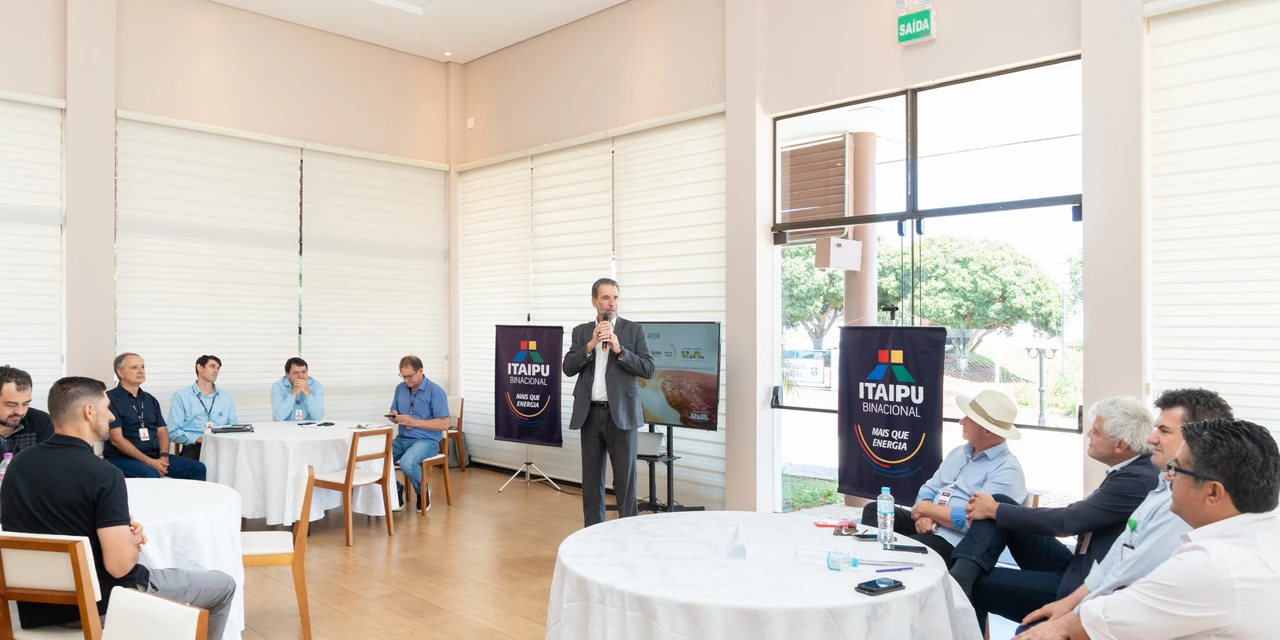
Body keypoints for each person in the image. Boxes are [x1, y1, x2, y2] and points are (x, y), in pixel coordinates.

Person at [0, 376, 236, 635]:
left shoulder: (17, 465)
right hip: (102, 605)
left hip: (36, 610)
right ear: (89, 412)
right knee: (223, 586)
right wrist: (132, 541)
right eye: (107, 408)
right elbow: (119, 567)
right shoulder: (104, 474)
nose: (112, 416)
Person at [1013, 389, 1234, 640]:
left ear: (1199, 441)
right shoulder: (1162, 485)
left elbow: (1131, 580)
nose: (1151, 439)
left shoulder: (1185, 504)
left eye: (1164, 431)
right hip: (1097, 602)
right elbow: (1116, 562)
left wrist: (1063, 624)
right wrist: (1066, 607)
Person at [950, 396, 1161, 633]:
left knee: (977, 579)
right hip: (1077, 563)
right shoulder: (1133, 470)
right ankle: (959, 576)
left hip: (1079, 584)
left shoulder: (1137, 480)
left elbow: (1067, 521)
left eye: (1096, 432)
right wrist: (996, 509)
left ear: (1120, 445)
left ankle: (958, 582)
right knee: (1000, 504)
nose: (1089, 435)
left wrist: (993, 510)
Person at [1070, 419, 1280, 640]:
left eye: (1175, 469)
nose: (1169, 478)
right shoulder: (1266, 535)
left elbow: (1084, 629)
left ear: (1212, 493)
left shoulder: (1210, 565)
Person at [860, 389, 1027, 564]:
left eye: (968, 419)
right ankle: (877, 559)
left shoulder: (1007, 470)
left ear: (986, 430)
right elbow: (930, 487)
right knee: (874, 509)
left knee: (903, 550)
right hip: (929, 521)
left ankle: (881, 562)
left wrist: (927, 511)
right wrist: (925, 514)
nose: (961, 421)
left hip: (956, 541)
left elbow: (972, 519)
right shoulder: (959, 453)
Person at [563, 278, 655, 527]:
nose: (611, 303)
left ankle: (627, 535)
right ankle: (592, 536)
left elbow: (648, 369)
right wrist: (590, 345)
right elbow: (568, 368)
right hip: (590, 415)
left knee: (625, 482)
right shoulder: (581, 332)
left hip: (622, 416)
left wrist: (620, 350)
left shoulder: (633, 331)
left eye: (615, 297)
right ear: (594, 302)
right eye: (605, 298)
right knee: (592, 483)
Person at [103, 353, 207, 480]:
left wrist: (163, 456)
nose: (141, 371)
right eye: (134, 367)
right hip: (121, 458)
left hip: (154, 455)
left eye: (143, 367)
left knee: (197, 468)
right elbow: (117, 439)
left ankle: (188, 500)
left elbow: (162, 431)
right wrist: (149, 462)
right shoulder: (109, 399)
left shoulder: (150, 399)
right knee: (151, 473)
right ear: (120, 372)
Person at [388, 355, 450, 512]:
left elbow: (444, 423)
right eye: (403, 376)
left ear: (420, 371)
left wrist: (414, 422)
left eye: (410, 376)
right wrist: (394, 415)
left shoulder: (435, 391)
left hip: (427, 441)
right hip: (402, 438)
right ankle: (396, 488)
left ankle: (422, 490)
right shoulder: (400, 388)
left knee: (407, 463)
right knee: (376, 459)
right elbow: (393, 409)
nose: (407, 381)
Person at [167, 355, 239, 460]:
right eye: (212, 366)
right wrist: (199, 439)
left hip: (222, 445)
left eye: (218, 368)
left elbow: (233, 425)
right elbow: (173, 431)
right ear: (199, 368)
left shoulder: (225, 396)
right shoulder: (181, 396)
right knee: (195, 467)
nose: (216, 371)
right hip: (196, 445)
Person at [0, 365, 54, 455]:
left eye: (26, 403)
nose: (20, 412)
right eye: (11, 404)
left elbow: (49, 464)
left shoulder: (42, 422)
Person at [271, 357, 324, 422]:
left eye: (303, 372)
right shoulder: (278, 386)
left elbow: (318, 417)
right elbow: (278, 417)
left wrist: (307, 392)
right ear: (287, 375)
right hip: (285, 429)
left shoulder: (316, 385)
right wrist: (293, 393)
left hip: (309, 429)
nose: (301, 376)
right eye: (296, 373)